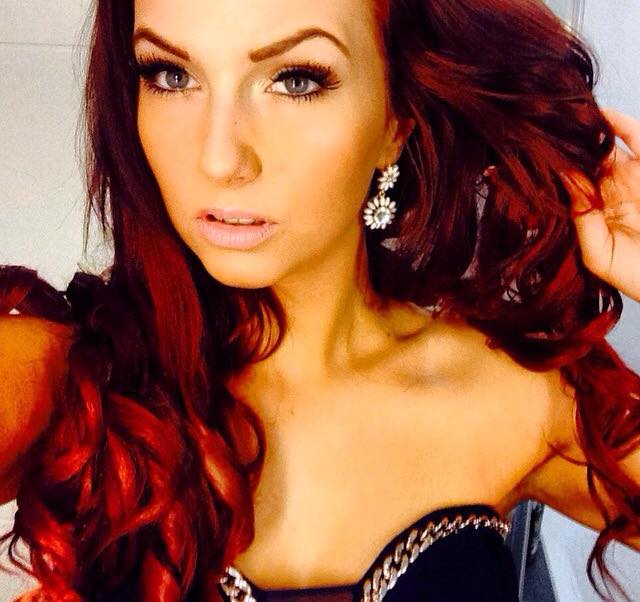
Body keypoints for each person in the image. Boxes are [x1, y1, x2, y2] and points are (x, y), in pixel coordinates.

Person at [1, 0, 639, 600]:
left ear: (394, 120)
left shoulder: (516, 396)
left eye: (296, 80)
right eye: (172, 75)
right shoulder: (70, 379)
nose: (220, 159)